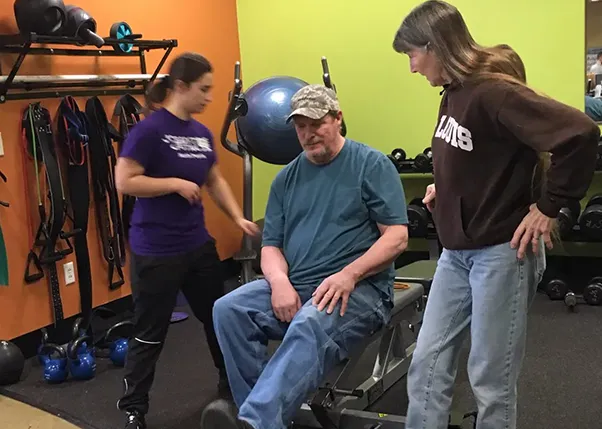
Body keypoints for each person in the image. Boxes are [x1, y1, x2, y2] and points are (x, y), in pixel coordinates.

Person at [391, 2, 600, 429]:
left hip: (500, 255)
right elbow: (474, 152)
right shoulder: (452, 93)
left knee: (490, 380)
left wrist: (548, 207)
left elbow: (580, 133)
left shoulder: (491, 92)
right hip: (456, 253)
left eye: (413, 55)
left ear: (435, 46)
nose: (412, 68)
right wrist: (444, 187)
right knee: (427, 365)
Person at [200, 84, 410, 429]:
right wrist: (279, 282)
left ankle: (256, 422)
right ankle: (258, 413)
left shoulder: (370, 165)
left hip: (361, 290)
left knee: (311, 320)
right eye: (301, 127)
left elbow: (397, 237)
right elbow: (271, 247)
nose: (309, 135)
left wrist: (349, 275)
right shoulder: (286, 179)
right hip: (299, 283)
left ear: (338, 119)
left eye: (317, 124)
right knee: (228, 309)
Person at [114, 52, 260, 429]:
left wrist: (237, 217)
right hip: (156, 251)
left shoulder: (200, 133)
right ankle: (133, 408)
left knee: (218, 318)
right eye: (204, 89)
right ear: (180, 87)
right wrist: (173, 184)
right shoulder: (149, 130)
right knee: (150, 331)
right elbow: (125, 181)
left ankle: (230, 386)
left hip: (197, 245)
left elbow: (214, 180)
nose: (210, 98)